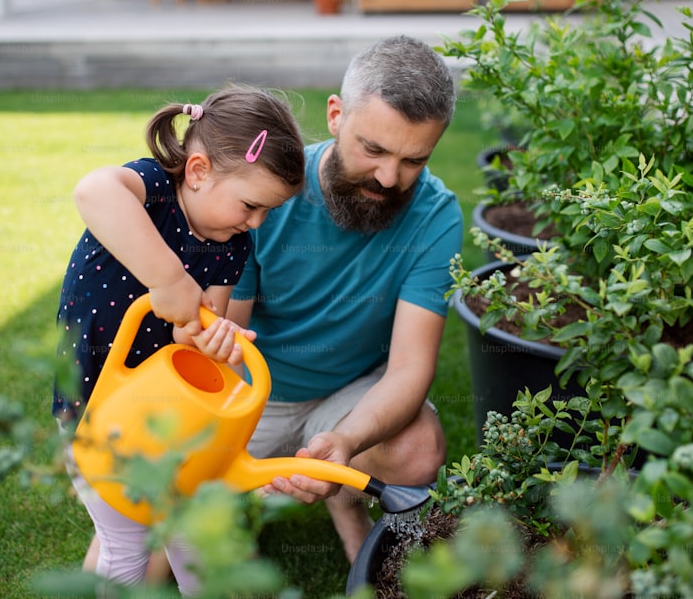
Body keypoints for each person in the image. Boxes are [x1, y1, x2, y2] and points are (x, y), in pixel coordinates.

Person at [54, 85, 306, 593]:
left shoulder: (230, 246)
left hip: (169, 417)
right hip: (98, 408)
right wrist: (168, 279)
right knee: (126, 543)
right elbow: (92, 191)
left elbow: (188, 330)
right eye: (251, 205)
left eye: (267, 213)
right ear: (197, 171)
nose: (255, 223)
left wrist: (212, 340)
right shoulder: (151, 189)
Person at [227, 34, 462, 562]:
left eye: (413, 160)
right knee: (158, 544)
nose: (388, 178)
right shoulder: (265, 191)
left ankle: (340, 495)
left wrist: (346, 442)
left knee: (417, 448)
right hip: (250, 396)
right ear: (336, 115)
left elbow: (408, 370)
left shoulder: (436, 216)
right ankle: (260, 500)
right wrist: (225, 447)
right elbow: (222, 346)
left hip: (349, 395)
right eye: (373, 149)